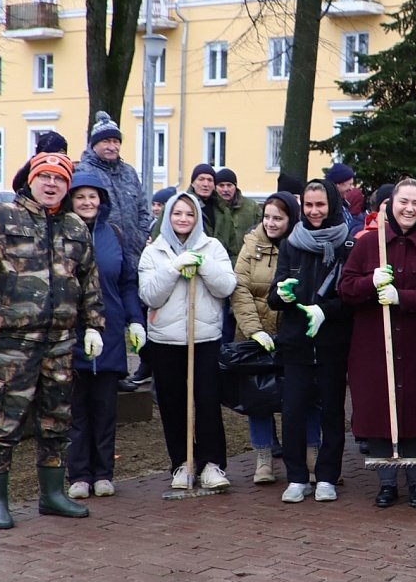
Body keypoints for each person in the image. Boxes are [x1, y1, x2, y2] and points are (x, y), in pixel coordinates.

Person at [0, 154, 104, 529]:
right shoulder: (0, 216)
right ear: (30, 180)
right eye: (43, 176)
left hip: (60, 343)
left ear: (67, 185)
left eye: (59, 179)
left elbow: (89, 281)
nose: (51, 184)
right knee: (5, 423)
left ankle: (53, 495)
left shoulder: (76, 226)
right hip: (14, 343)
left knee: (57, 421)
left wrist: (94, 326)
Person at [340, 179, 416, 508]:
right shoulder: (366, 245)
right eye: (404, 201)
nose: (409, 208)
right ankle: (387, 482)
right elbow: (346, 288)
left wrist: (401, 296)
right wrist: (369, 283)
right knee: (379, 411)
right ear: (389, 205)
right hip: (373, 344)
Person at [139, 192, 236, 491]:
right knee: (172, 403)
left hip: (204, 337)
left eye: (189, 214)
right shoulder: (154, 253)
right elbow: (149, 296)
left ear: (197, 219)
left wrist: (203, 264)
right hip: (165, 340)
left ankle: (211, 464)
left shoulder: (213, 247)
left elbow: (227, 287)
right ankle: (182, 463)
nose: (183, 219)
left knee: (207, 401)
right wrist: (174, 268)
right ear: (167, 217)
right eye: (177, 213)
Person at [267, 180, 356, 502]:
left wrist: (325, 310)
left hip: (332, 342)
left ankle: (328, 475)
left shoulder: (347, 243)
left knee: (332, 411)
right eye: (308, 205)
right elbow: (276, 292)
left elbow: (350, 296)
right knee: (292, 411)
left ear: (331, 204)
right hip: (296, 343)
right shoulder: (292, 242)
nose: (314, 211)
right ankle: (296, 476)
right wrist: (282, 294)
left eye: (320, 205)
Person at [65, 171, 144, 500]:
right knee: (77, 410)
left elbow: (127, 282)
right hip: (72, 333)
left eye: (92, 197)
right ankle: (79, 474)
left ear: (102, 200)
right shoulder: (62, 233)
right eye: (80, 197)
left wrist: (135, 320)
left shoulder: (114, 234)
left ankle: (103, 473)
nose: (87, 202)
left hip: (110, 334)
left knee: (106, 409)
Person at [231, 192, 299, 484]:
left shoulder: (299, 244)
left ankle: (306, 456)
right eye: (267, 217)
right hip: (256, 334)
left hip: (291, 334)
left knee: (300, 399)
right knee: (259, 399)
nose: (271, 223)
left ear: (290, 220)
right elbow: (240, 288)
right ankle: (263, 458)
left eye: (278, 218)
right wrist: (254, 330)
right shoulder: (251, 244)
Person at [77, 113, 150, 269]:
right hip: (100, 257)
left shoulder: (129, 172)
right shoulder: (84, 172)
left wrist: (141, 237)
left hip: (133, 256)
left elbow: (143, 210)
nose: (112, 146)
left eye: (116, 141)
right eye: (106, 141)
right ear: (94, 144)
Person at [209, 168, 260, 258]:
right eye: (221, 185)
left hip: (246, 258)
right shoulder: (211, 207)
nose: (225, 189)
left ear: (235, 186)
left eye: (229, 185)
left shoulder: (251, 207)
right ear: (215, 187)